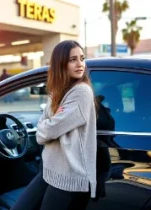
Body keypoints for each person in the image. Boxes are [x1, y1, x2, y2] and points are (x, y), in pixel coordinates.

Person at [11, 40, 97, 210]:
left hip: (67, 176)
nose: (80, 64)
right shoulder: (58, 91)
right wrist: (49, 123)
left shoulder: (81, 92)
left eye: (82, 58)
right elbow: (46, 123)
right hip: (49, 170)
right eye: (73, 59)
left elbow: (45, 132)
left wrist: (48, 124)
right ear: (60, 64)